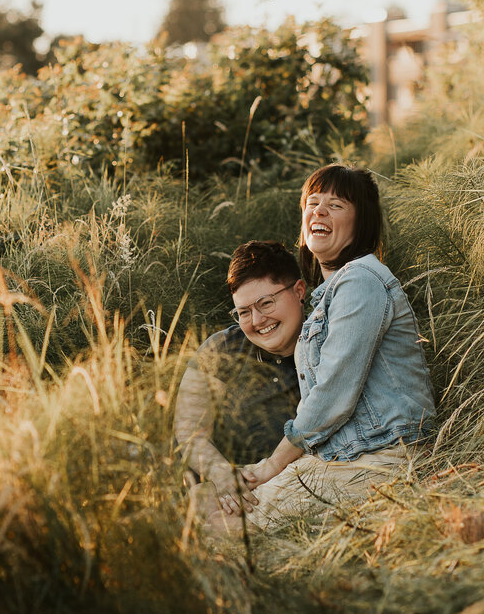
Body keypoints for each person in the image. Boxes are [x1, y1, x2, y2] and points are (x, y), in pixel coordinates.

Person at [215, 164, 437, 531]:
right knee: (208, 498)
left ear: (360, 222)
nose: (318, 211)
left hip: (383, 460)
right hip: (341, 457)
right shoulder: (324, 297)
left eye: (335, 205)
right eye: (313, 203)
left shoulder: (362, 283)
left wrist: (272, 465)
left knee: (231, 528)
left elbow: (334, 393)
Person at [174, 240, 305, 517]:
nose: (257, 321)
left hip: (289, 489)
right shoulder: (221, 349)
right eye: (244, 312)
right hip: (221, 493)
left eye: (266, 303)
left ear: (299, 291)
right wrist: (222, 475)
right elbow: (188, 432)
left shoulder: (326, 347)